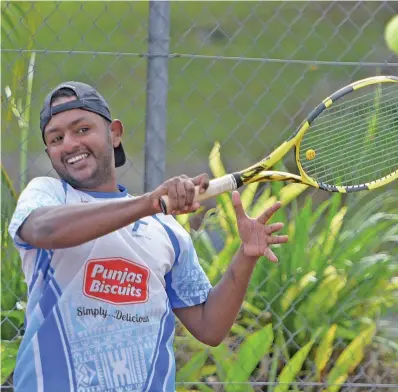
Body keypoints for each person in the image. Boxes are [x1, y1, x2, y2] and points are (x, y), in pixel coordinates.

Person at [8, 81, 288, 392]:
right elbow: (43, 230)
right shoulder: (47, 196)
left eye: (82, 129)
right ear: (49, 152)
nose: (70, 144)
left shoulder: (166, 231)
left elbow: (210, 327)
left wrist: (247, 254)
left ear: (114, 133)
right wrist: (149, 203)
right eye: (56, 138)